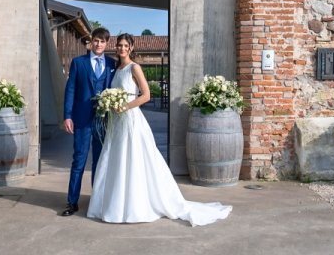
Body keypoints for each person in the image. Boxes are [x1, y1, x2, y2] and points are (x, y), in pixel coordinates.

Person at [87, 33, 232, 226]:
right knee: (116, 159)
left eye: (125, 45)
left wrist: (124, 106)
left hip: (130, 118)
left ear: (131, 48)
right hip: (116, 122)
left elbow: (146, 95)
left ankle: (134, 206)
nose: (122, 48)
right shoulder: (117, 68)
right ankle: (114, 204)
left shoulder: (134, 67)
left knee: (133, 160)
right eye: (119, 45)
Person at [61, 27, 117, 217]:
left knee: (100, 162)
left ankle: (97, 200)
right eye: (96, 41)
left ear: (106, 44)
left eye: (102, 41)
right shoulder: (79, 63)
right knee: (79, 160)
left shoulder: (112, 64)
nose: (99, 44)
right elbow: (70, 90)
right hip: (82, 120)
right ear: (91, 42)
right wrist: (67, 115)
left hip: (103, 121)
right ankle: (72, 202)